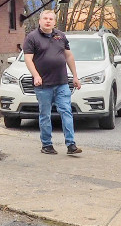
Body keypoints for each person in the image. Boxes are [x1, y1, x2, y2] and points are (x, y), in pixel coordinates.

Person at [23, 9, 82, 155]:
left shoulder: (61, 36)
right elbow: (28, 59)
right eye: (45, 18)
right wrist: (36, 75)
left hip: (61, 82)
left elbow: (69, 56)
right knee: (45, 115)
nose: (48, 21)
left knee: (66, 111)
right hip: (43, 85)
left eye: (51, 19)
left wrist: (75, 76)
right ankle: (47, 145)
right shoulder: (32, 37)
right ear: (40, 21)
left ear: (54, 22)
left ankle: (71, 144)